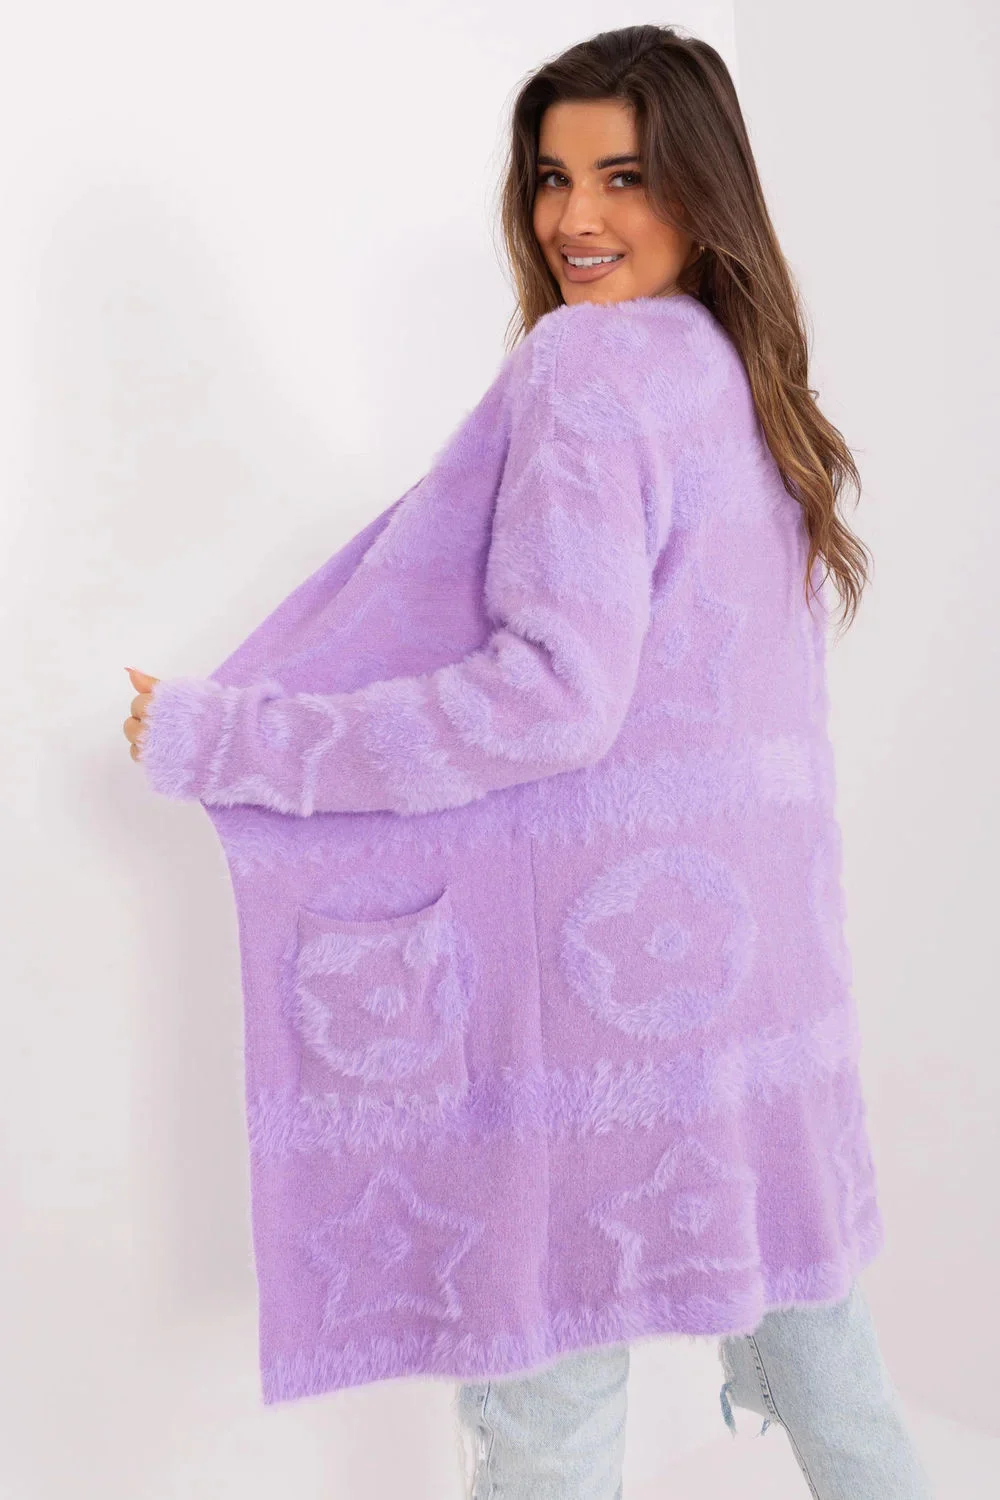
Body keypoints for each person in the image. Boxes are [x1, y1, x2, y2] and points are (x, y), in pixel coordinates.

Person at [123, 23, 935, 1500]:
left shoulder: (589, 367)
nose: (574, 217)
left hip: (592, 1015)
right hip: (755, 997)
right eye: (553, 177)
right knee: (838, 1382)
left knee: (548, 1409)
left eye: (623, 176)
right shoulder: (742, 372)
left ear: (704, 188)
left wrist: (233, 736)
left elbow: (554, 701)